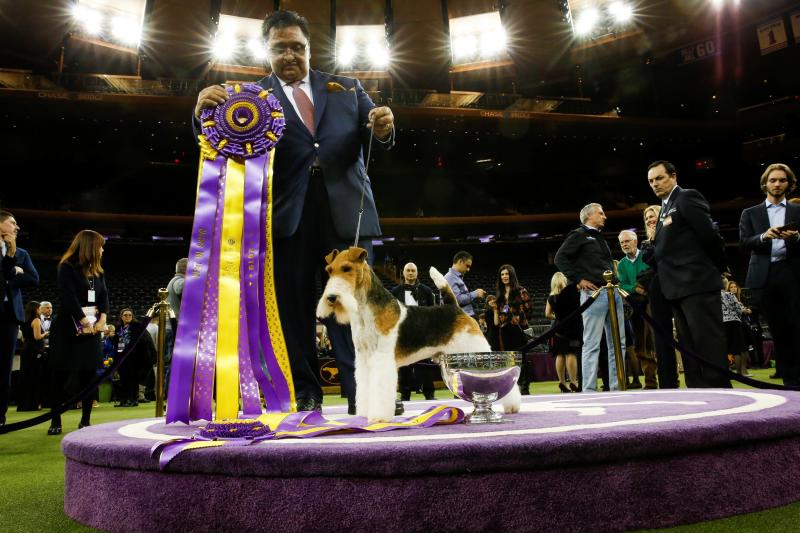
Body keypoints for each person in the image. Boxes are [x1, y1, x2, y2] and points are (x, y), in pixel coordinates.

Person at [193, 10, 395, 413]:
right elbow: (216, 139)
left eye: (297, 47)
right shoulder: (250, 98)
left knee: (356, 305)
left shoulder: (348, 89)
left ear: (310, 48)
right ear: (266, 51)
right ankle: (305, 390)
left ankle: (365, 389)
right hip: (286, 216)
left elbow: (380, 135)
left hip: (344, 211)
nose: (290, 55)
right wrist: (202, 113)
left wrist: (385, 127)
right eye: (280, 48)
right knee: (292, 306)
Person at [644, 160, 730, 388]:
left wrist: (719, 268)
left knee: (708, 344)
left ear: (673, 176)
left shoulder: (686, 197)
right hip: (677, 288)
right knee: (690, 347)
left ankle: (722, 395)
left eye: (659, 178)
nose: (655, 184)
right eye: (651, 181)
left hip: (697, 283)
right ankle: (698, 393)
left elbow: (709, 235)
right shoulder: (664, 208)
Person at [739, 163, 800, 386]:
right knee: (777, 329)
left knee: (796, 327)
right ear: (765, 183)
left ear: (789, 184)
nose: (777, 184)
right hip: (764, 276)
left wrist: (796, 238)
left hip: (792, 273)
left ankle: (795, 379)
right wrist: (764, 236)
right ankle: (790, 382)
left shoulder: (797, 211)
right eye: (773, 180)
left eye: (782, 180)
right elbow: (744, 243)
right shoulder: (750, 213)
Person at [554, 203, 626, 392]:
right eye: (601, 213)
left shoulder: (599, 237)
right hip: (594, 294)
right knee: (592, 343)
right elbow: (560, 258)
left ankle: (618, 388)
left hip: (612, 292)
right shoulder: (579, 234)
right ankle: (589, 390)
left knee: (618, 343)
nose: (605, 216)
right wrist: (578, 279)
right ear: (589, 216)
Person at [48, 230, 108, 435]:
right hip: (68, 329)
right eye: (99, 246)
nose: (102, 249)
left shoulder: (98, 271)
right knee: (60, 374)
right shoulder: (67, 267)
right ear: (89, 247)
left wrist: (103, 319)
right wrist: (83, 321)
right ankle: (55, 419)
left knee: (89, 375)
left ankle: (85, 421)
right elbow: (68, 297)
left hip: (91, 331)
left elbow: (104, 297)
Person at [0, 210, 39, 427]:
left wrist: (12, 278)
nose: (17, 227)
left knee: (4, 368)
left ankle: (0, 419)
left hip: (9, 315)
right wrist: (10, 268)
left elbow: (33, 279)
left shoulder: (22, 253)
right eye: (12, 222)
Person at [641, 205, 679, 388]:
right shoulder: (647, 242)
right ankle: (667, 382)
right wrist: (652, 240)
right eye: (646, 218)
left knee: (685, 333)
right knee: (661, 339)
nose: (649, 219)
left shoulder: (673, 231)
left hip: (678, 284)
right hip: (657, 289)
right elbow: (649, 259)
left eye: (652, 216)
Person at [617, 230, 658, 389]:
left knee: (657, 343)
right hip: (635, 307)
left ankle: (669, 379)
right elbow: (622, 285)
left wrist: (636, 287)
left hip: (653, 303)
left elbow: (653, 275)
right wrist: (637, 287)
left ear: (635, 241)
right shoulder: (621, 264)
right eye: (622, 243)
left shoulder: (646, 255)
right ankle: (650, 383)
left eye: (627, 241)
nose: (625, 244)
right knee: (641, 346)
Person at [390, 262, 437, 402]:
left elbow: (433, 313)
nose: (410, 273)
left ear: (417, 273)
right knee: (404, 366)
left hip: (423, 334)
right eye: (408, 270)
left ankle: (429, 393)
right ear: (403, 273)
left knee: (426, 364)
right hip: (403, 334)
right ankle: (405, 395)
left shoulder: (427, 291)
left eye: (413, 271)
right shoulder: (394, 292)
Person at [493, 264, 531, 394]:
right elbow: (501, 312)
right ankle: (512, 389)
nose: (504, 276)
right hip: (504, 330)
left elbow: (528, 308)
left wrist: (518, 317)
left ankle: (525, 388)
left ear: (511, 275)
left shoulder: (521, 291)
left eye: (507, 274)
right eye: (502, 274)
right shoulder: (500, 294)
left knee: (521, 359)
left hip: (518, 330)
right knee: (509, 361)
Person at [545, 272, 581, 393]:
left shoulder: (551, 297)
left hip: (557, 328)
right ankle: (573, 381)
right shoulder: (569, 295)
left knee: (560, 354)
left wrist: (556, 317)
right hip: (571, 327)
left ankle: (561, 382)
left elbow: (547, 314)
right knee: (571, 353)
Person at [17, 301, 46, 411]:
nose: (40, 310)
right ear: (36, 309)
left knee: (26, 376)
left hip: (26, 349)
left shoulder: (24, 320)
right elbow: (38, 337)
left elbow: (24, 338)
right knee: (35, 376)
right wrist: (46, 333)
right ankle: (33, 403)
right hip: (34, 350)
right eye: (39, 308)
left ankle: (24, 404)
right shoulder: (36, 320)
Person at [721, 277, 753, 377]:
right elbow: (738, 309)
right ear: (726, 285)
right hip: (734, 322)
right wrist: (745, 311)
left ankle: (733, 372)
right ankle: (740, 372)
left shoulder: (717, 296)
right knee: (738, 348)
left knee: (728, 348)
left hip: (724, 323)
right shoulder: (730, 295)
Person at [444, 251, 486, 319]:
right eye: (467, 266)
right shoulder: (450, 277)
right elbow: (458, 300)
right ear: (460, 261)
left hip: (464, 316)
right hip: (461, 318)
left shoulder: (456, 277)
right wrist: (476, 293)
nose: (468, 269)